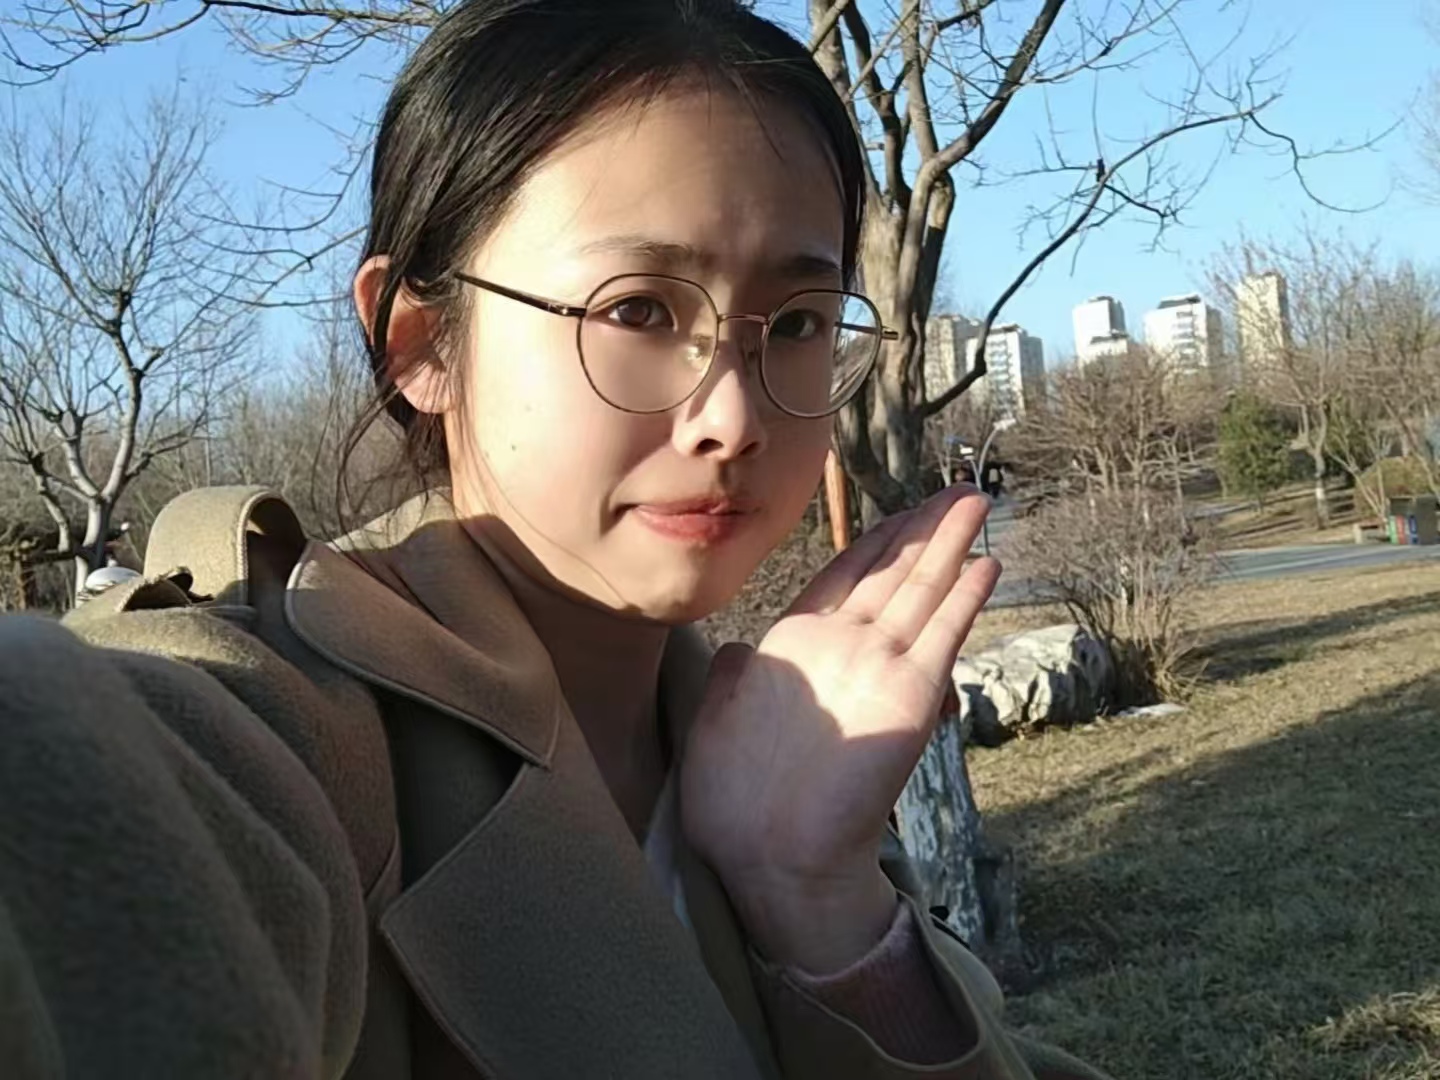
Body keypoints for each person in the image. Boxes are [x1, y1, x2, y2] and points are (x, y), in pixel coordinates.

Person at [0, 2, 1114, 1077]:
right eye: (638, 311)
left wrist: (820, 904)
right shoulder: (290, 724)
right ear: (420, 341)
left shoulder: (775, 750)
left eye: (796, 323)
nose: (733, 417)